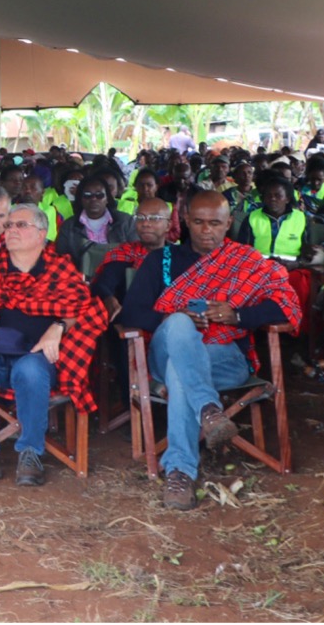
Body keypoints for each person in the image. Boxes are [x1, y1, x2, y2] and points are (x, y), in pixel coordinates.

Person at [116, 191, 301, 509]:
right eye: (198, 222)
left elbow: (287, 306)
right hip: (165, 350)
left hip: (225, 357)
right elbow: (131, 313)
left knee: (181, 373)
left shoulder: (246, 261)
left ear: (228, 223)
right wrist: (175, 317)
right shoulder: (163, 260)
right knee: (178, 324)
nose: (206, 230)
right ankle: (208, 411)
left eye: (215, 223)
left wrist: (237, 315)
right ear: (185, 221)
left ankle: (180, 472)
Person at [0, 203, 106, 487]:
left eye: (20, 225)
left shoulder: (60, 268)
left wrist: (59, 326)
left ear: (42, 233)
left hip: (38, 360)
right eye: (9, 225)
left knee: (29, 368)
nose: (11, 230)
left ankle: (30, 452)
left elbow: (87, 306)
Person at [54, 175, 137, 267]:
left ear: (107, 199)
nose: (93, 199)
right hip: (81, 277)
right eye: (87, 195)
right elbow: (61, 259)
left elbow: (137, 253)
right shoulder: (68, 226)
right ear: (80, 199)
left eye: (99, 195)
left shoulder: (126, 222)